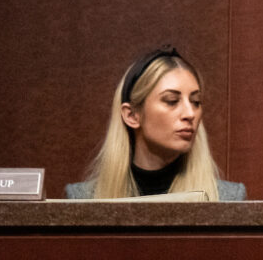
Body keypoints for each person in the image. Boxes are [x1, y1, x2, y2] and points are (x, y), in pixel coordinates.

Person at [66, 47, 246, 200]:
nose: (190, 114)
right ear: (132, 115)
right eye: (171, 101)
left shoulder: (226, 198)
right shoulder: (83, 199)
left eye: (196, 102)